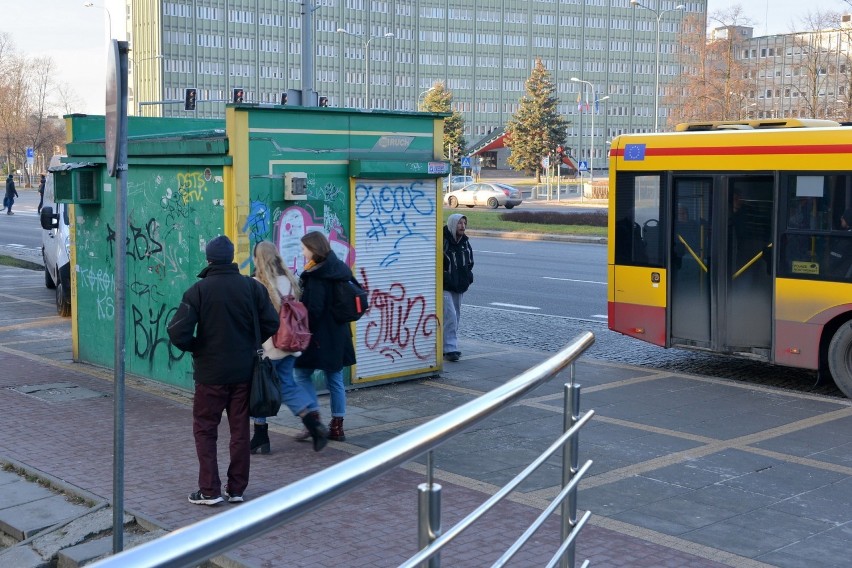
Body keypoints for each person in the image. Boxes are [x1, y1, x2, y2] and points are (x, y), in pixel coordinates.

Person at [167, 235, 279, 506]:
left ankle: (209, 490)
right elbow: (272, 323)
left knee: (205, 430)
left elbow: (176, 330)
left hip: (210, 374)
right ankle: (237, 488)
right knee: (240, 431)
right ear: (231, 259)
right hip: (244, 373)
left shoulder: (199, 290)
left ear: (209, 259)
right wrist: (251, 342)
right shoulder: (252, 288)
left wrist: (197, 346)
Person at [250, 241, 328, 453]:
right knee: (286, 384)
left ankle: (261, 436)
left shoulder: (258, 283)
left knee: (261, 388)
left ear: (258, 258)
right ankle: (314, 423)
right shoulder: (289, 280)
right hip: (291, 343)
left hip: (270, 347)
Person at [293, 231, 356, 442]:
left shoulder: (316, 275)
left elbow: (314, 310)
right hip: (338, 333)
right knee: (335, 378)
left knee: (301, 374)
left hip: (318, 336)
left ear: (313, 249)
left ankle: (313, 421)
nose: (302, 253)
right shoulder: (339, 268)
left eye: (303, 249)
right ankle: (337, 426)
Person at [443, 213, 474, 362]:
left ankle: (447, 346)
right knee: (450, 315)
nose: (462, 226)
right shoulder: (444, 241)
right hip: (445, 285)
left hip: (459, 285)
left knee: (456, 315)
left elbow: (470, 262)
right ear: (452, 224)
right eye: (459, 223)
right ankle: (450, 349)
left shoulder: (465, 242)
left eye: (464, 223)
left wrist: (468, 276)